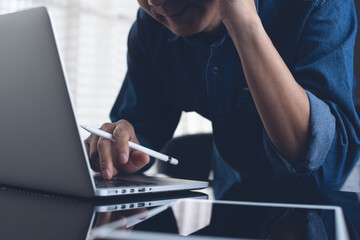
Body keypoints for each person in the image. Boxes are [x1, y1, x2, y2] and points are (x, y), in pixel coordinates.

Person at [85, 0, 360, 191]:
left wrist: (243, 22)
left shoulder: (319, 5)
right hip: (233, 191)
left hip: (331, 202)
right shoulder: (151, 28)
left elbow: (321, 160)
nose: (156, 2)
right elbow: (140, 132)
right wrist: (120, 146)